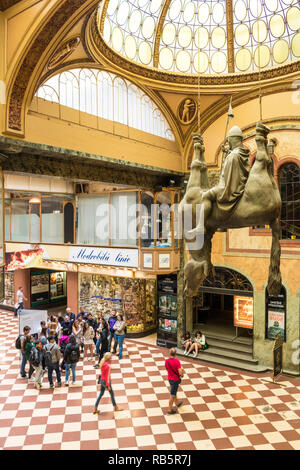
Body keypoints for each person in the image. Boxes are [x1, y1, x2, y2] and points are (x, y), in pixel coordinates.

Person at [190, 126, 250, 235]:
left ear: (231, 140)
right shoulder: (244, 154)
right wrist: (227, 152)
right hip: (240, 185)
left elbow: (226, 175)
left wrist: (227, 156)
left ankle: (200, 226)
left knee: (206, 196)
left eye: (229, 141)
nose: (229, 143)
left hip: (229, 188)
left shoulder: (232, 157)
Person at [165, 347, 184, 415]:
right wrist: (182, 373)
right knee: (172, 395)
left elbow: (167, 369)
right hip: (175, 380)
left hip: (170, 379)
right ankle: (169, 409)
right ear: (175, 354)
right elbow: (180, 373)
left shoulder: (166, 361)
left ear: (169, 353)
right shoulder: (177, 362)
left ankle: (177, 403)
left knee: (174, 391)